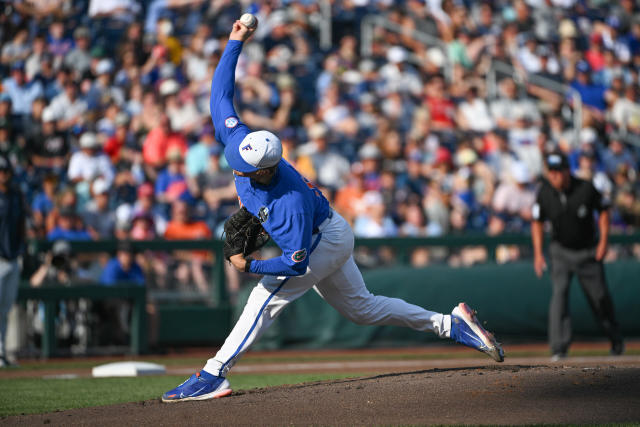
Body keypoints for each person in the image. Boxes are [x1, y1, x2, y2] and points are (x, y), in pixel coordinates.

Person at [162, 18, 504, 403]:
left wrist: (251, 266)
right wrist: (234, 43)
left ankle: (213, 373)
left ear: (265, 169)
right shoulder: (244, 141)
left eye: (243, 170)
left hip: (320, 239)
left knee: (263, 297)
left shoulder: (288, 202)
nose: (234, 168)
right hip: (330, 230)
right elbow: (219, 98)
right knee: (364, 308)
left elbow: (294, 262)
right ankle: (450, 324)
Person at [531, 152, 624, 360]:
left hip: (587, 250)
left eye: (557, 172)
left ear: (566, 171)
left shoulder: (585, 188)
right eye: (551, 172)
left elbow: (604, 211)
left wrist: (604, 241)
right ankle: (558, 347)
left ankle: (615, 339)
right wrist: (538, 254)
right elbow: (536, 222)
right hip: (560, 251)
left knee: (599, 298)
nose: (554, 176)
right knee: (559, 295)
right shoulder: (544, 192)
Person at [0, 156, 25, 367]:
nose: (3, 175)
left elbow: (21, 225)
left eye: (5, 171)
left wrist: (20, 250)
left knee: (6, 308)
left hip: (12, 257)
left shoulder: (16, 195)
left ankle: (2, 352)